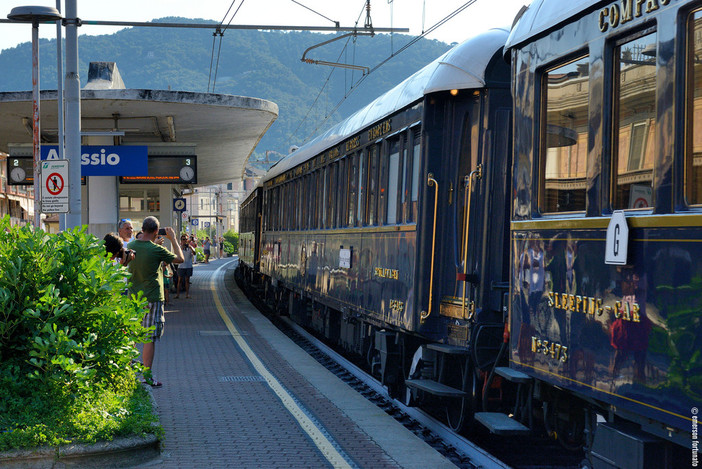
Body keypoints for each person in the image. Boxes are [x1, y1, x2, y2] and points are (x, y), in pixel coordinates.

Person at [127, 216, 184, 387]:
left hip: (133, 297)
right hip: (152, 298)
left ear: (142, 228)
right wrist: (173, 238)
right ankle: (147, 376)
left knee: (132, 336)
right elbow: (180, 258)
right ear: (155, 231)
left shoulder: (130, 246)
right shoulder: (156, 250)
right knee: (149, 338)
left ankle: (127, 370)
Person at [176, 234, 195, 299]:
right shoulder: (179, 247)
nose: (185, 241)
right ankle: (177, 295)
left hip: (188, 266)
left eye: (186, 239)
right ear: (181, 240)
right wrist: (181, 247)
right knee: (179, 280)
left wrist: (190, 247)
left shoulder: (189, 247)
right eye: (183, 239)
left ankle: (187, 294)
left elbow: (194, 253)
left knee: (187, 280)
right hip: (181, 266)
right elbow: (176, 254)